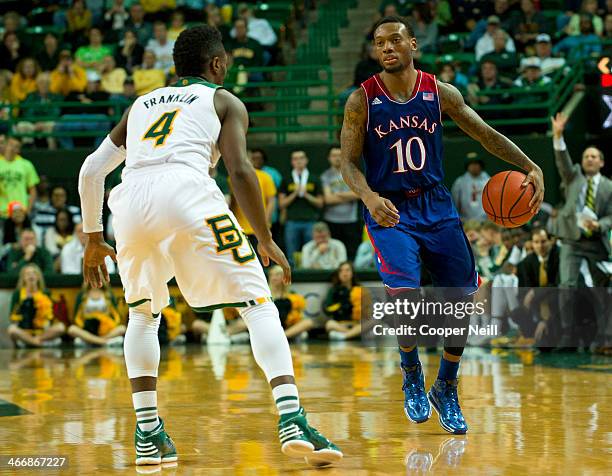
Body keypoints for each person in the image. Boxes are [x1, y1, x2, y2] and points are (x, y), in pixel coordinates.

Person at [77, 25, 342, 467]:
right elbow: (239, 171)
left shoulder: (140, 104)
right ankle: (292, 417)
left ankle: (146, 434)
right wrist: (264, 237)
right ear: (217, 64)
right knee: (257, 303)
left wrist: (91, 238)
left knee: (143, 314)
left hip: (130, 201)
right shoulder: (223, 100)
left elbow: (90, 171)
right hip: (187, 190)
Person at [340, 16, 544, 434]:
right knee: (406, 294)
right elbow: (347, 161)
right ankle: (411, 371)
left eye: (395, 40)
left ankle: (446, 385)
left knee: (461, 300)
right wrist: (368, 196)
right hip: (390, 210)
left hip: (436, 204)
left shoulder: (440, 92)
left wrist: (529, 164)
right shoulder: (361, 100)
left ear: (413, 43)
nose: (387, 48)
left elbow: (484, 134)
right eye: (379, 43)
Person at [551, 112, 611, 353]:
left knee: (604, 291)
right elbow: (562, 161)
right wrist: (558, 137)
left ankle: (606, 338)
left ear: (602, 162)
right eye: (586, 156)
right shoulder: (573, 176)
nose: (589, 159)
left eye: (594, 156)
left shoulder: (609, 186)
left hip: (596, 242)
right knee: (567, 285)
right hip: (571, 240)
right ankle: (567, 335)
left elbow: (611, 215)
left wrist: (602, 225)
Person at [278, 150, 324, 265]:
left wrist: (306, 194)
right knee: (291, 253)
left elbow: (320, 203)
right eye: (295, 159)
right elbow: (281, 204)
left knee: (312, 252)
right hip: (292, 221)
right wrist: (295, 193)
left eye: (301, 158)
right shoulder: (286, 179)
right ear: (292, 162)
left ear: (306, 160)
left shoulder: (314, 179)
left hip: (310, 221)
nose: (299, 161)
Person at [7, 264, 65, 348]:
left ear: (38, 277)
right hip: (24, 331)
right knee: (11, 329)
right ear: (23, 278)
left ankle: (33, 341)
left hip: (42, 331)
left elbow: (51, 315)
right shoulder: (17, 294)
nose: (31, 276)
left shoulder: (46, 293)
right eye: (28, 274)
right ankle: (38, 343)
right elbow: (11, 317)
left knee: (61, 327)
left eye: (34, 273)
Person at [320, 145, 361, 260]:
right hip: (331, 220)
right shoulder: (325, 176)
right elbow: (328, 199)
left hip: (350, 220)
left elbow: (359, 195)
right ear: (329, 158)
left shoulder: (353, 173)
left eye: (339, 155)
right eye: (334, 155)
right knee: (334, 254)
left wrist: (338, 194)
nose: (337, 158)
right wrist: (349, 195)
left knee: (352, 254)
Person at [323, 262, 369, 340]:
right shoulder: (334, 290)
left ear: (352, 273)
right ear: (338, 274)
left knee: (375, 320)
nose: (344, 273)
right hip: (340, 324)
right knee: (329, 324)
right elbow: (328, 309)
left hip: (357, 324)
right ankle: (352, 334)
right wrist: (340, 305)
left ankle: (345, 336)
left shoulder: (360, 289)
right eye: (341, 271)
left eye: (347, 270)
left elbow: (368, 311)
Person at [268, 265, 313, 339]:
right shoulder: (265, 294)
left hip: (287, 328)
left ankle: (281, 337)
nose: (274, 278)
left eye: (277, 275)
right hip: (269, 326)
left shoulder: (292, 295)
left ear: (284, 277)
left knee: (308, 322)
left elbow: (297, 316)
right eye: (271, 275)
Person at [0, 136, 39, 218]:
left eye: (16, 146)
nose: (12, 148)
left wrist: (28, 210)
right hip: (2, 212)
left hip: (21, 212)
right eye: (10, 144)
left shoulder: (26, 164)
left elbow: (33, 190)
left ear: (19, 150)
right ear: (5, 145)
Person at [451, 153, 490, 222]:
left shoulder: (489, 181)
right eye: (471, 164)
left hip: (486, 221)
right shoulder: (460, 182)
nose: (474, 166)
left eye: (476, 163)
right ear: (467, 166)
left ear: (481, 165)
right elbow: (454, 202)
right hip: (466, 221)